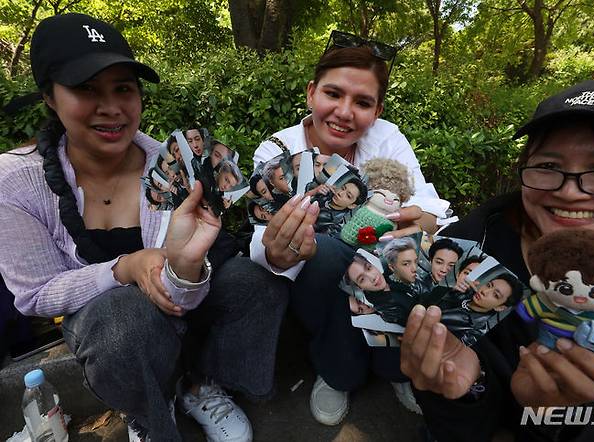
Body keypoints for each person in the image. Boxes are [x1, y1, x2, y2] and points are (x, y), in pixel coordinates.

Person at [0, 13, 288, 442]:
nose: (112, 107)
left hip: (180, 296)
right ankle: (149, 413)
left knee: (256, 281)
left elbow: (184, 282)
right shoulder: (14, 181)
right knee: (123, 322)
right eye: (86, 89)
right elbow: (35, 293)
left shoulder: (172, 165)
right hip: (108, 322)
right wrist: (124, 268)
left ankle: (200, 385)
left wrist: (183, 268)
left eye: (123, 88)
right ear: (49, 97)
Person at [400, 78, 594, 442]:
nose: (570, 191)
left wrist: (557, 419)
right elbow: (453, 406)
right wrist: (469, 388)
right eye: (549, 165)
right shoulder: (465, 251)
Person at [249, 31, 450, 425]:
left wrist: (415, 224)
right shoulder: (277, 151)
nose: (344, 112)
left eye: (362, 102)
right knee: (330, 253)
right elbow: (264, 243)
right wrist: (280, 250)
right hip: (317, 278)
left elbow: (428, 203)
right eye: (333, 94)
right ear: (311, 93)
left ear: (376, 111)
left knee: (391, 255)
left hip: (388, 262)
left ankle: (396, 366)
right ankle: (340, 372)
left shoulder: (386, 136)